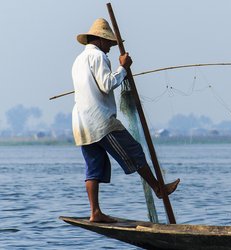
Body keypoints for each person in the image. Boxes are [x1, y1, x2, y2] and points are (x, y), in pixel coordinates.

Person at [72, 18, 180, 223]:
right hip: (100, 121)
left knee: (94, 167)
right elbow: (106, 84)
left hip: (80, 122)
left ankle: (94, 212)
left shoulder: (79, 60)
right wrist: (123, 67)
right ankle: (158, 188)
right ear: (101, 40)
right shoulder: (98, 56)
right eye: (110, 43)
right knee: (135, 151)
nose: (111, 48)